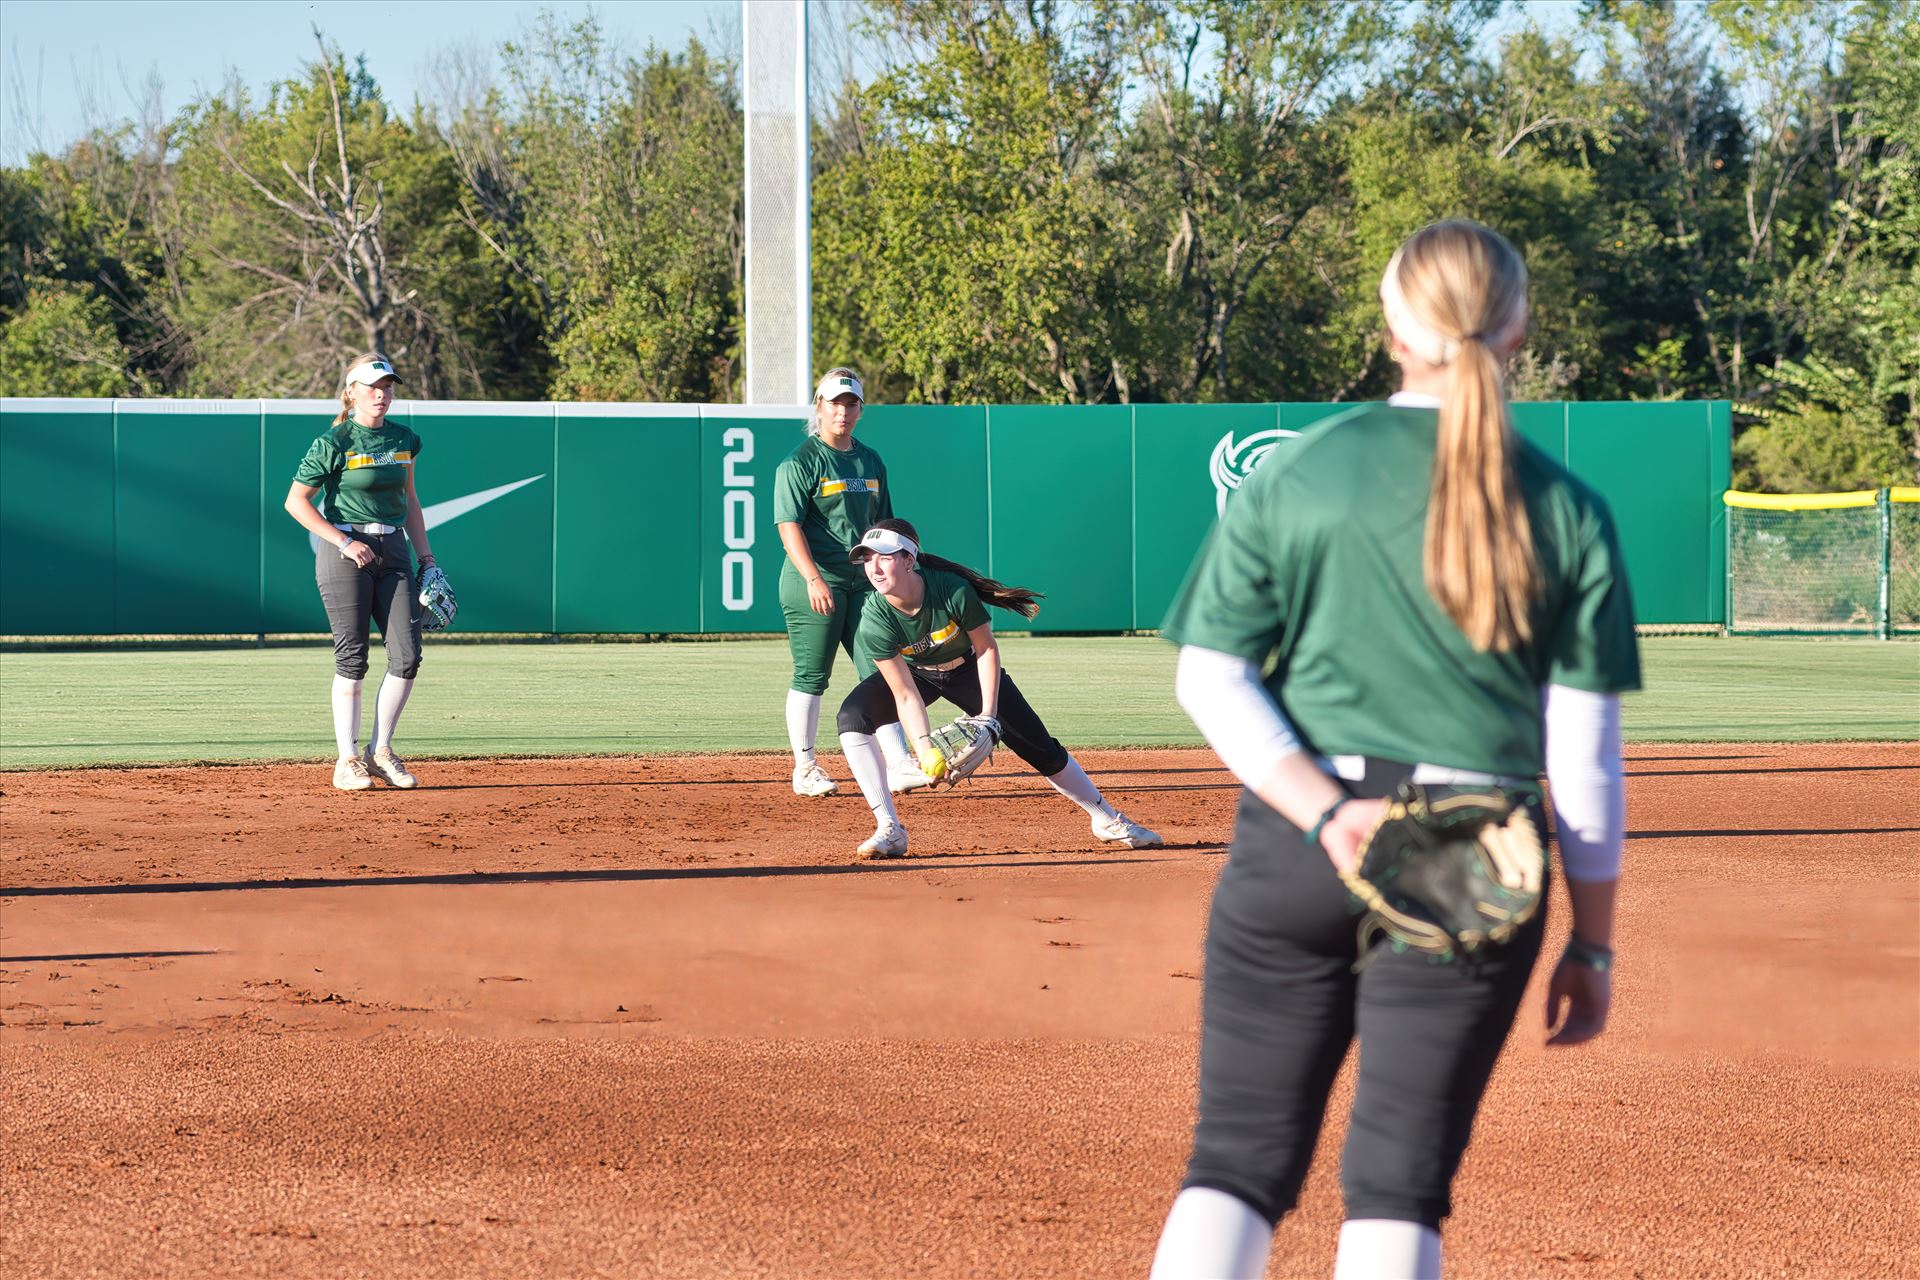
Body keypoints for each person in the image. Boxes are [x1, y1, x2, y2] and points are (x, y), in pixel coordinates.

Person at [1149, 220, 1640, 1280]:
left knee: (1232, 1166)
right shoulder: (1568, 508)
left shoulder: (1306, 469)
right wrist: (1594, 946)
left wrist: (1327, 812)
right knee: (1398, 1188)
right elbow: (1586, 762)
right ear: (1517, 328)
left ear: (1391, 329)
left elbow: (1210, 674)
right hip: (1477, 858)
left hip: (1302, 844)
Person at [833, 517, 1164, 859]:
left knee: (1039, 748)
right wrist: (925, 749)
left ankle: (1106, 820)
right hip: (919, 674)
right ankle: (889, 828)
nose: (874, 567)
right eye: (867, 558)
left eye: (884, 557)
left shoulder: (950, 590)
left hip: (969, 667)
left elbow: (986, 649)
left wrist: (988, 716)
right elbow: (904, 693)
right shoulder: (873, 618)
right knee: (852, 717)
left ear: (909, 560)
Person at [283, 354, 436, 792]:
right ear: (351, 391)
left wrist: (427, 558)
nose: (382, 393)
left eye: (388, 386)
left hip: (394, 550)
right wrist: (344, 542)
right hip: (346, 550)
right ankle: (347, 759)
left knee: (407, 656)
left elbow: (409, 500)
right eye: (372, 386)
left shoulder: (405, 438)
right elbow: (296, 502)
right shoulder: (334, 441)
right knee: (353, 658)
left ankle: (380, 750)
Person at [774, 368, 924, 798]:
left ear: (860, 409)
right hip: (814, 580)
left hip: (865, 581)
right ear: (819, 406)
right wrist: (814, 579)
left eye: (850, 403)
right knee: (812, 673)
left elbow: (884, 526)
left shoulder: (871, 460)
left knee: (881, 666)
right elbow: (788, 527)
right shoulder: (800, 462)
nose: (842, 411)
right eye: (834, 402)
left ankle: (898, 761)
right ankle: (805, 767)